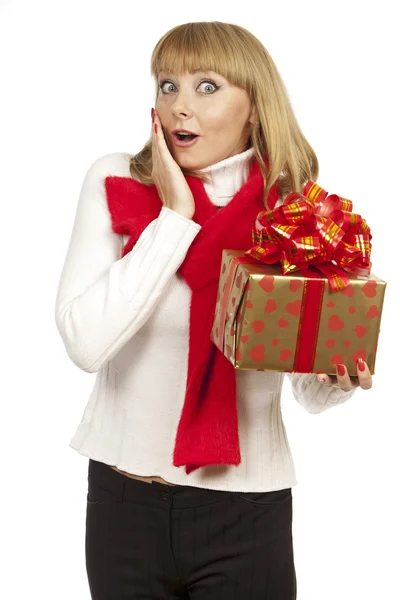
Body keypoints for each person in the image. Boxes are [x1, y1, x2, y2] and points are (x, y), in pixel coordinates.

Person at [54, 21, 373, 600]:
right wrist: (174, 218)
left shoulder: (292, 216)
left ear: (254, 107)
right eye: (167, 84)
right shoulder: (117, 182)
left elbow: (307, 387)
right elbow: (85, 342)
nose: (180, 105)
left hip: (246, 514)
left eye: (207, 86)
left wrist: (335, 380)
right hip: (123, 506)